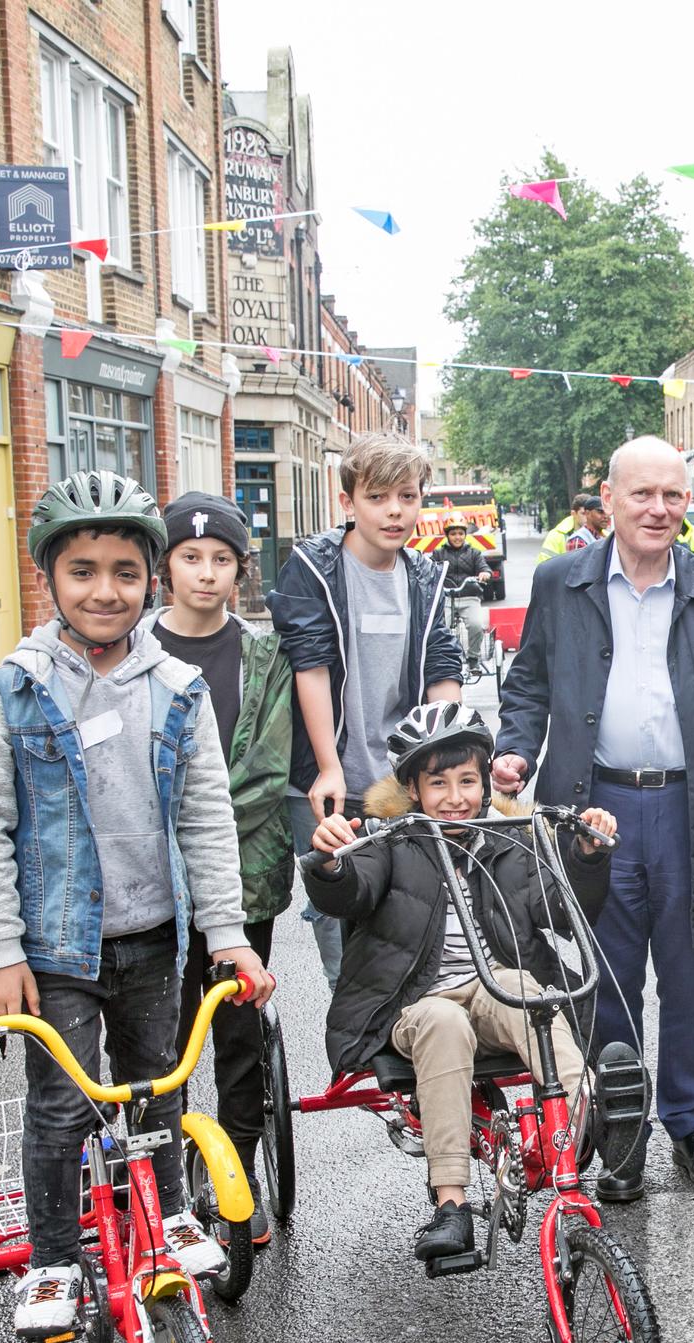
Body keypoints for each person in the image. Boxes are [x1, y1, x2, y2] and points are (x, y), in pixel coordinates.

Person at [0, 471, 277, 1338]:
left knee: (157, 1091)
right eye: (84, 571)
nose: (106, 590)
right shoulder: (9, 693)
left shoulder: (176, 687)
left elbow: (206, 817)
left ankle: (168, 1215)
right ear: (49, 579)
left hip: (154, 938)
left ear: (152, 578)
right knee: (62, 1107)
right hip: (55, 951)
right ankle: (55, 1258)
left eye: (126, 572)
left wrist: (229, 938)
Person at [494, 435, 694, 1201]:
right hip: (594, 804)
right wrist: (514, 750)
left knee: (687, 973)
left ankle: (690, 1121)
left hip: (689, 806)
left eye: (672, 495)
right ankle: (619, 1130)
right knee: (605, 978)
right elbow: (529, 683)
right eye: (642, 494)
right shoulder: (560, 582)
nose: (659, 509)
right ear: (607, 499)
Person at [303, 703, 618, 1262]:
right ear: (413, 791)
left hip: (492, 982)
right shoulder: (390, 841)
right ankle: (451, 1204)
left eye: (468, 781)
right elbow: (348, 891)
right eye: (438, 783)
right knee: (445, 1022)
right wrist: (330, 864)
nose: (455, 797)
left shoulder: (511, 840)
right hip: (415, 998)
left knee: (530, 993)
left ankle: (584, 1112)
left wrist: (587, 857)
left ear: (485, 781)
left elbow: (568, 914)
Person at [153, 491, 299, 1246]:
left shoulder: (266, 656)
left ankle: (235, 1170)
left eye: (222, 561)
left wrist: (195, 821)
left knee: (237, 1031)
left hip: (246, 876)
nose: (206, 574)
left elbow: (270, 766)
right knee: (163, 1038)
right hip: (148, 886)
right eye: (190, 558)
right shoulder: (133, 649)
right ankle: (168, 1184)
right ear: (166, 566)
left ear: (240, 572)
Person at [268, 432, 464, 986]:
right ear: (348, 502)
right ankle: (356, 1063)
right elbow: (312, 666)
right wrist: (328, 765)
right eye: (378, 497)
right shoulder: (314, 567)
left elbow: (441, 664)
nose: (395, 510)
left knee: (413, 930)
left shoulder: (424, 574)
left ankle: (409, 1062)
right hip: (331, 780)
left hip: (401, 785)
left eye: (408, 495)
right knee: (345, 945)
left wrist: (445, 753)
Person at [435, 516, 495, 675]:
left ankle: (473, 659)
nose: (457, 537)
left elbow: (485, 569)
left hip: (469, 597)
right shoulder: (438, 553)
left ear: (465, 535)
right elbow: (429, 569)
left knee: (476, 625)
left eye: (461, 533)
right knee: (440, 628)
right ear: (447, 535)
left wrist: (484, 574)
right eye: (453, 533)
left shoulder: (474, 553)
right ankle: (443, 659)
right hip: (446, 598)